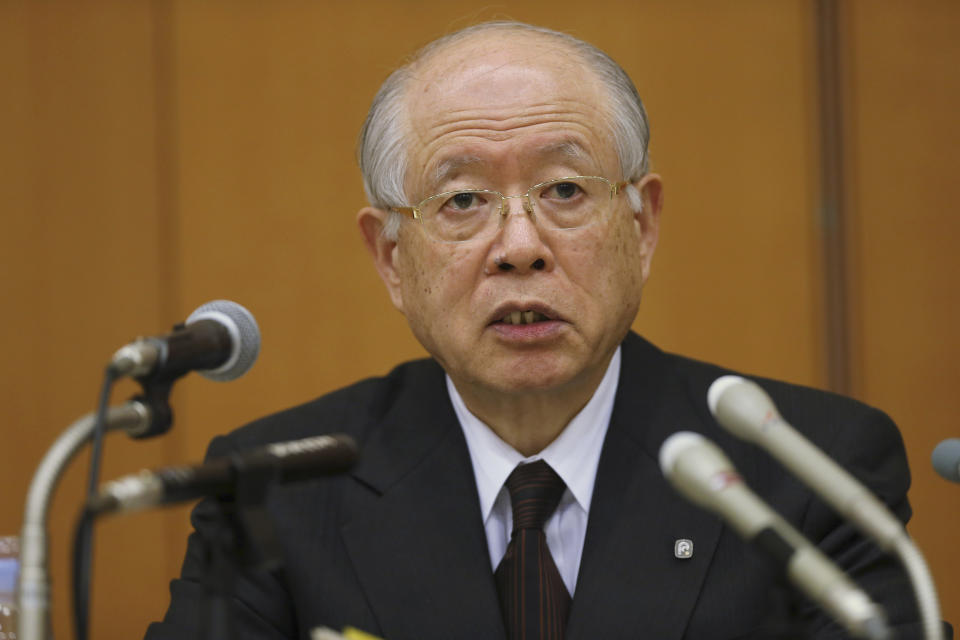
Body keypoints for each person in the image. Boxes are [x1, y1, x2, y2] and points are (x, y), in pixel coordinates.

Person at [146, 21, 940, 640]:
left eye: (565, 189)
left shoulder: (808, 473)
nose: (520, 247)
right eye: (461, 202)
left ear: (643, 225)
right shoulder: (280, 494)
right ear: (391, 257)